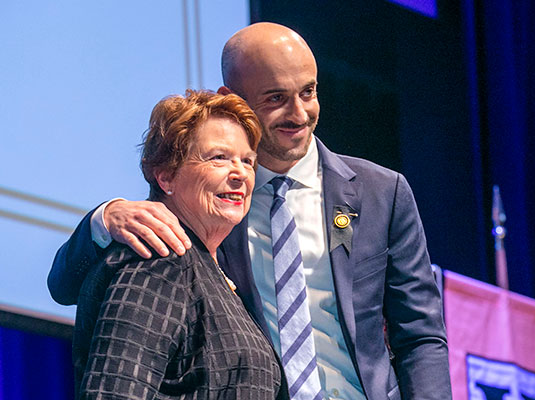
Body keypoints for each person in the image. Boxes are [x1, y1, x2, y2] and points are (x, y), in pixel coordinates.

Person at [49, 22, 452, 399]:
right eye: (276, 98)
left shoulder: (383, 192)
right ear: (232, 98)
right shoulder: (209, 204)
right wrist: (102, 220)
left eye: (308, 92)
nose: (298, 114)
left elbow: (419, 333)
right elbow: (66, 287)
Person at [70, 89, 286, 399]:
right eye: (219, 158)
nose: (240, 173)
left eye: (248, 161)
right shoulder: (158, 258)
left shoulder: (207, 268)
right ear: (167, 176)